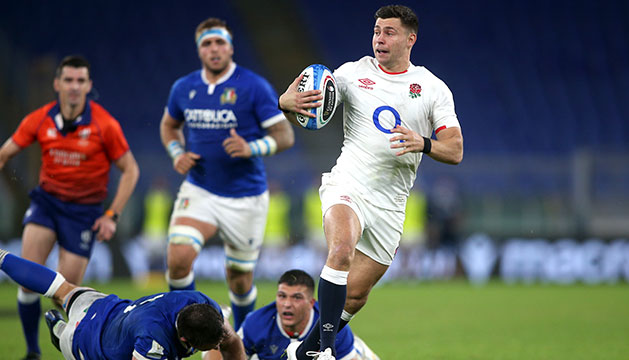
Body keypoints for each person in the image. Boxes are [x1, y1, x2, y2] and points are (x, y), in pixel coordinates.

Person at [278, 5, 463, 360]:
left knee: (356, 295)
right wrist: (286, 100)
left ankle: (302, 353)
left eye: (389, 32)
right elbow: (303, 85)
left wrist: (422, 143)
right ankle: (327, 353)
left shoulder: (431, 88)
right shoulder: (350, 74)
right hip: (349, 182)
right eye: (377, 31)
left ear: (411, 39)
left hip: (391, 202)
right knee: (341, 249)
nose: (380, 38)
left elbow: (455, 150)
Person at [0, 55, 140, 360]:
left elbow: (131, 170)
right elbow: (4, 153)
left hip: (84, 214)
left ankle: (73, 346)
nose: (74, 87)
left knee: (65, 295)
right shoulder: (39, 119)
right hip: (46, 204)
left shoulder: (105, 124)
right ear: (57, 84)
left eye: (80, 81)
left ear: (89, 85)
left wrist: (111, 215)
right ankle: (32, 352)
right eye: (68, 80)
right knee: (26, 282)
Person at [160, 17, 295, 331]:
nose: (214, 48)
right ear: (199, 50)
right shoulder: (184, 88)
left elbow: (285, 135)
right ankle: (184, 331)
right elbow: (169, 125)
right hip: (200, 189)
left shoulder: (253, 86)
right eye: (207, 43)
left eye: (219, 42)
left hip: (245, 197)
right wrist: (177, 153)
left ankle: (244, 340)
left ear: (231, 47)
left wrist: (252, 148)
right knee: (178, 260)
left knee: (238, 278)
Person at [0, 248, 244, 360]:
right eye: (214, 343)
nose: (220, 340)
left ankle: (2, 257)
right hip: (84, 345)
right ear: (185, 342)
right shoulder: (153, 344)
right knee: (69, 335)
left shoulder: (199, 302)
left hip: (104, 307)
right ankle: (60, 332)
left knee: (62, 289)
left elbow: (231, 341)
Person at [208, 269, 378, 360]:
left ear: (311, 303)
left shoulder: (332, 328)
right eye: (282, 296)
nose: (287, 304)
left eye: (297, 297)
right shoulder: (257, 323)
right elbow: (229, 353)